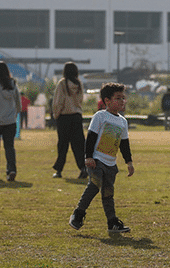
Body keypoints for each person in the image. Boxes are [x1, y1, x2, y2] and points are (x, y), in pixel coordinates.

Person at [69, 82, 134, 235]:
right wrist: (89, 157)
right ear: (107, 101)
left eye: (123, 98)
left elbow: (124, 144)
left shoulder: (123, 122)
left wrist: (129, 162)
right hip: (97, 161)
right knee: (94, 186)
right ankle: (78, 215)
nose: (122, 101)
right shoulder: (100, 116)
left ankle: (112, 223)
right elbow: (91, 138)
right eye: (118, 98)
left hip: (111, 164)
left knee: (108, 193)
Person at [51, 62, 87, 179]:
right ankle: (83, 167)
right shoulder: (79, 84)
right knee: (79, 145)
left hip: (64, 117)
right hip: (76, 116)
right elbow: (81, 100)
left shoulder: (62, 84)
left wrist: (56, 114)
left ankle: (59, 170)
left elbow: (58, 102)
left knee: (63, 145)